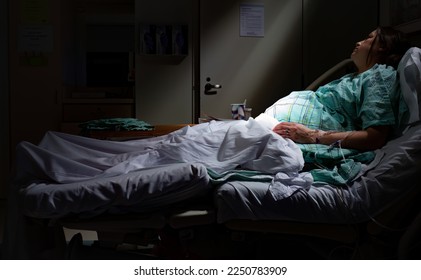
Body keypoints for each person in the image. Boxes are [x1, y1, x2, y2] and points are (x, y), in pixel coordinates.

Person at [270, 26, 411, 151]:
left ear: (383, 46)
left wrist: (312, 135)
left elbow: (375, 137)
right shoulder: (354, 78)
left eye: (369, 38)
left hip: (291, 135)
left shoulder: (378, 76)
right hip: (279, 129)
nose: (358, 42)